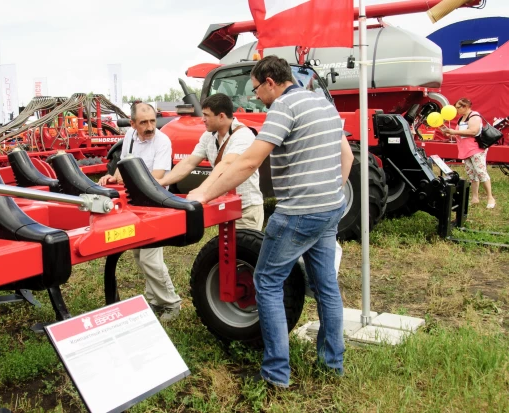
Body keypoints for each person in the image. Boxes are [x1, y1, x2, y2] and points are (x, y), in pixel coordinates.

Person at [188, 55, 354, 387]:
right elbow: (346, 157)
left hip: (299, 213)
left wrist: (201, 197)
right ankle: (332, 363)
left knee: (266, 283)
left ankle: (276, 373)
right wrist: (329, 193)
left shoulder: (283, 107)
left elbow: (249, 162)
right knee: (326, 288)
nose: (255, 98)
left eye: (255, 90)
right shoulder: (323, 104)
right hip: (331, 207)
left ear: (270, 82)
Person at [98, 103, 182, 321]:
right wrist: (112, 177)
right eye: (144, 122)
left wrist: (127, 181)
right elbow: (123, 165)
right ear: (132, 123)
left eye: (152, 121)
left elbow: (156, 177)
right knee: (139, 254)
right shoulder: (130, 137)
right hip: (136, 202)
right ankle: (154, 300)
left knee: (150, 258)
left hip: (156, 203)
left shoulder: (162, 141)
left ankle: (171, 303)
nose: (150, 126)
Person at [157, 93, 264, 230]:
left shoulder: (243, 135)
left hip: (245, 210)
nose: (203, 119)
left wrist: (202, 191)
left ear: (221, 116)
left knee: (244, 250)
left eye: (206, 115)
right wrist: (161, 182)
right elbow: (189, 162)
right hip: (225, 206)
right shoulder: (208, 135)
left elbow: (226, 164)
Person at [440, 98, 495, 209]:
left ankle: (490, 197)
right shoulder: (461, 119)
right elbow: (458, 134)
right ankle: (475, 198)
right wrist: (447, 132)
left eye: (458, 107)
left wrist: (454, 132)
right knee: (471, 174)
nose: (456, 110)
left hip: (476, 149)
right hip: (466, 150)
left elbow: (473, 131)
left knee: (481, 172)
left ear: (465, 106)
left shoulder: (474, 116)